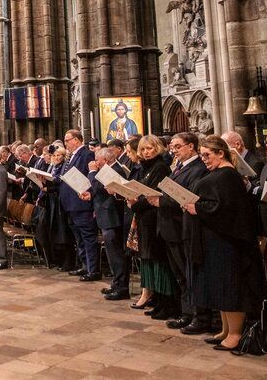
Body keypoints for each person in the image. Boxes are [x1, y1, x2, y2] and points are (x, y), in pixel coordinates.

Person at [183, 135, 267, 352]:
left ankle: (236, 333)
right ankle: (227, 329)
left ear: (221, 153)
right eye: (201, 155)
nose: (204, 159)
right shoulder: (220, 175)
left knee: (230, 288)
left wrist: (197, 208)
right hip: (215, 242)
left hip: (228, 244)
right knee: (220, 287)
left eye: (207, 155)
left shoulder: (228, 176)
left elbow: (225, 210)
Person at [154, 132, 211, 333]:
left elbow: (189, 197)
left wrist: (160, 200)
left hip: (181, 227)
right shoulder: (179, 167)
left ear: (191, 147)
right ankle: (186, 312)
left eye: (177, 147)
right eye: (172, 147)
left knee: (189, 273)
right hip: (171, 227)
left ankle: (198, 315)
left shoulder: (198, 169)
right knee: (180, 274)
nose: (174, 151)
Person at [129, 134, 180, 319]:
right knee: (149, 261)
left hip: (155, 220)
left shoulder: (160, 167)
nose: (146, 152)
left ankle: (167, 304)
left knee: (158, 262)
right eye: (143, 149)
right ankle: (158, 301)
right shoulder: (146, 167)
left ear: (157, 148)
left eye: (149, 148)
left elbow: (154, 195)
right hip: (145, 220)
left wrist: (135, 203)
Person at [87, 145, 129, 300]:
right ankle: (116, 283)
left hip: (113, 218)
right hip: (107, 216)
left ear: (105, 160)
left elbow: (97, 187)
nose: (95, 163)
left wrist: (92, 172)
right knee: (113, 254)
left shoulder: (114, 170)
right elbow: (100, 191)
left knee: (116, 254)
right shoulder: (109, 169)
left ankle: (122, 287)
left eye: (97, 160)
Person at [60, 130, 99, 281]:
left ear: (76, 140)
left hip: (82, 204)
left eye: (67, 140)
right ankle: (84, 265)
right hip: (72, 204)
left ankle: (93, 269)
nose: (66, 143)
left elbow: (90, 178)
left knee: (88, 238)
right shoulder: (73, 156)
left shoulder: (86, 154)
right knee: (80, 238)